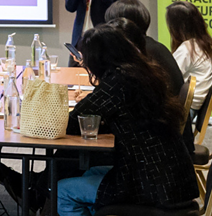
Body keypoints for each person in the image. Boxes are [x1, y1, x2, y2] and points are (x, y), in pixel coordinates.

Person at [57, 25, 198, 215]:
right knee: (90, 172)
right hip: (174, 178)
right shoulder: (143, 73)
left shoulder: (117, 82)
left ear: (97, 60)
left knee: (63, 191)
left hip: (151, 186)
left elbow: (73, 122)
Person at [166, 0, 212, 116]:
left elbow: (170, 77)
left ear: (177, 27)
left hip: (185, 108)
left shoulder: (187, 49)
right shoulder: (202, 44)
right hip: (193, 106)